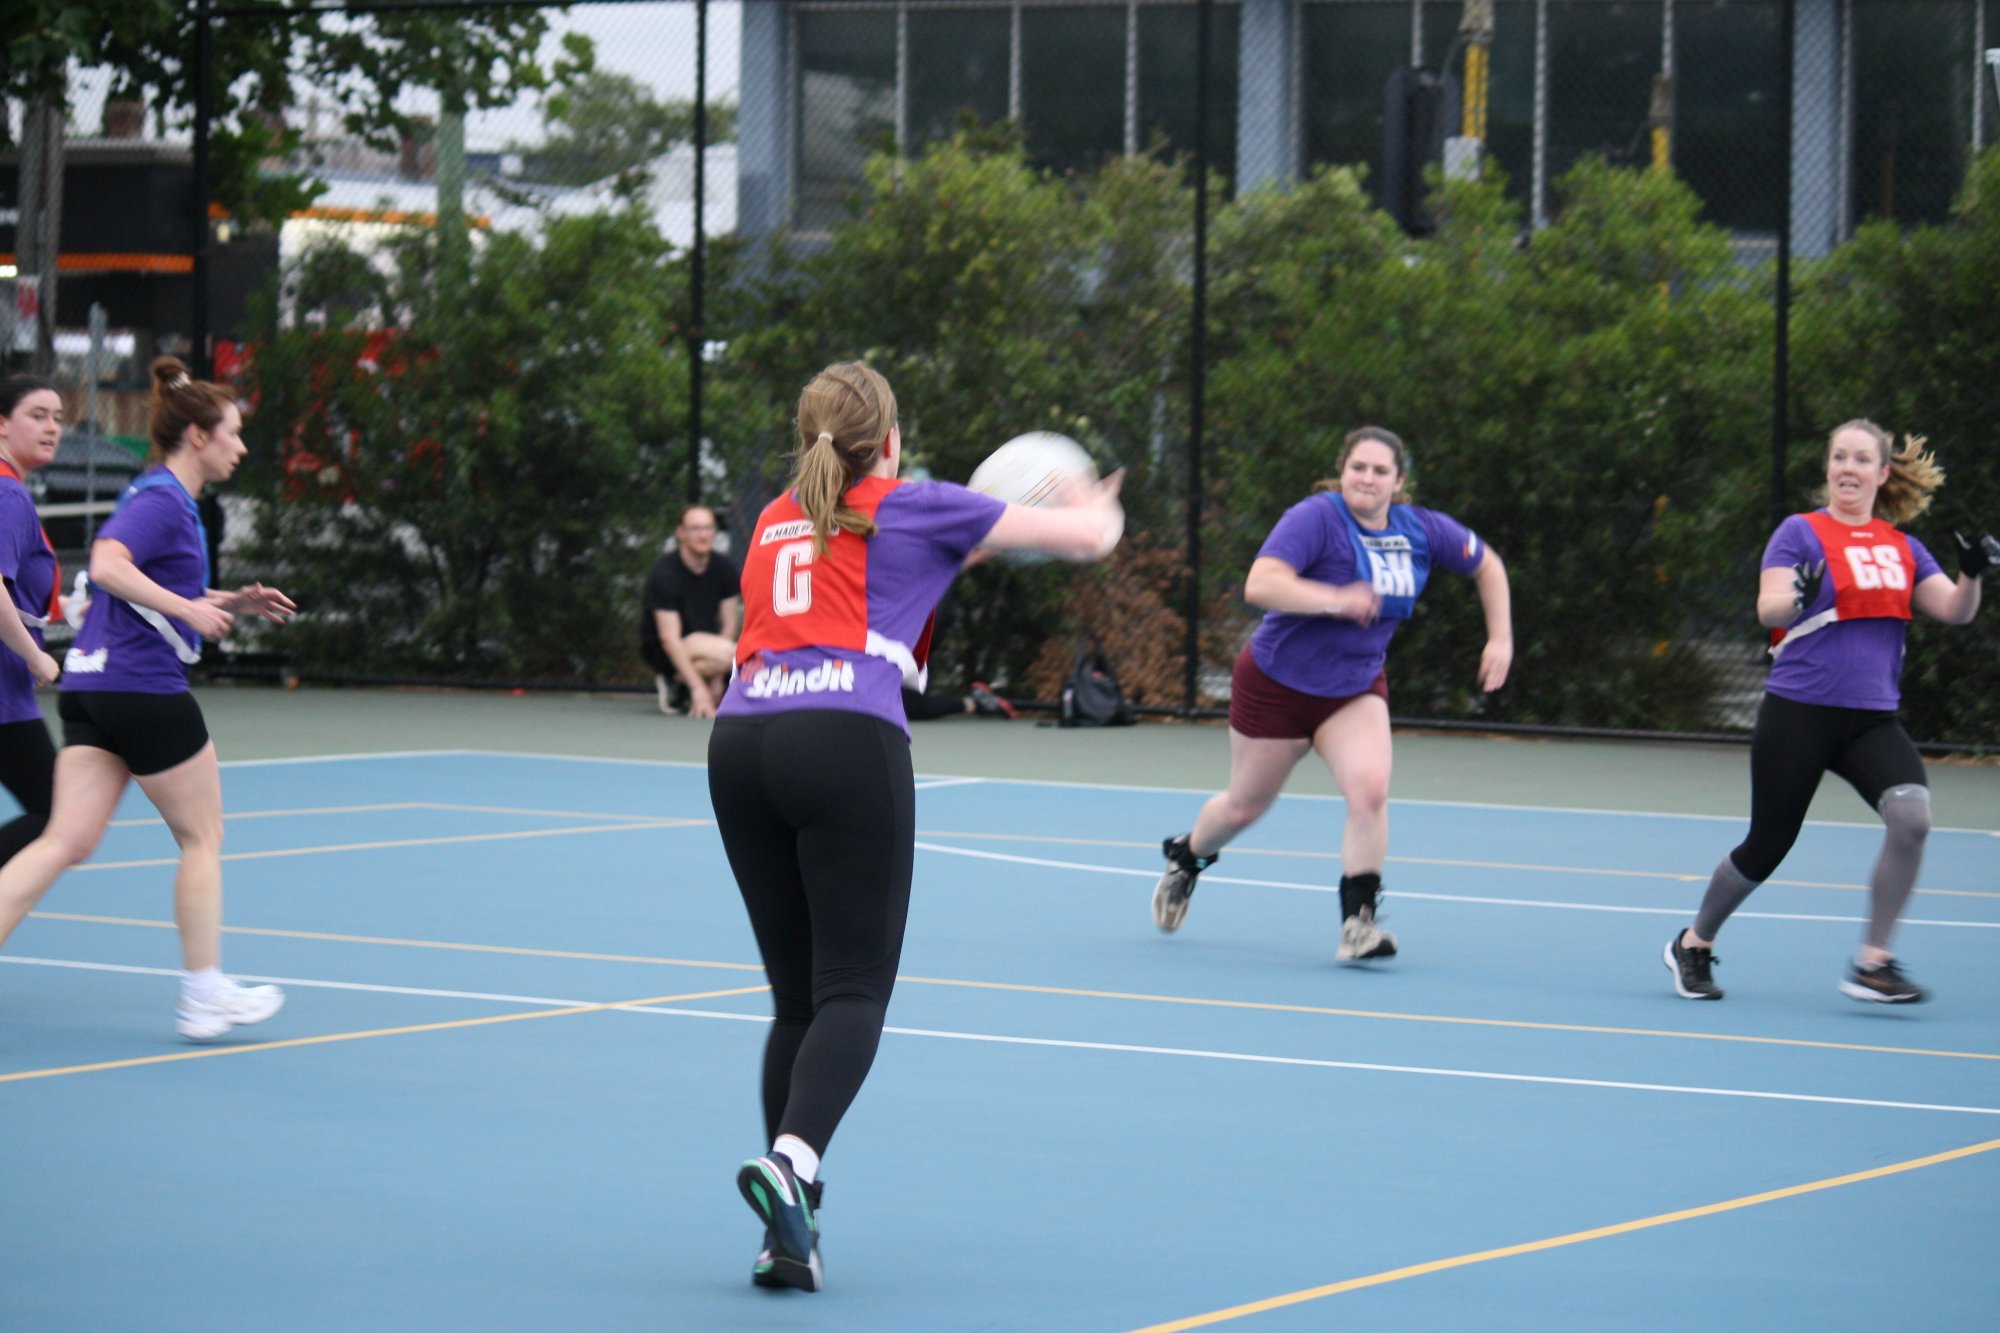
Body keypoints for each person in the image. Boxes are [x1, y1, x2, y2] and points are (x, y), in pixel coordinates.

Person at [710, 361, 1122, 1292]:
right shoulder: (917, 502)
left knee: (797, 1002)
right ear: (890, 441)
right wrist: (1097, 500)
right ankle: (794, 1164)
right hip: (841, 738)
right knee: (853, 990)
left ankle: (790, 1230)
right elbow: (1086, 539)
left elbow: (893, 561)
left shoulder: (779, 515)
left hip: (739, 743)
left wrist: (973, 533)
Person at [0, 357, 297, 1041]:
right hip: (141, 689)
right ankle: (203, 993)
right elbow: (106, 567)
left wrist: (227, 601)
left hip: (90, 689)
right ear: (197, 435)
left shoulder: (155, 497)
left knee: (63, 840)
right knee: (203, 837)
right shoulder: (164, 499)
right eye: (233, 433)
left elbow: (132, 585)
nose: (241, 446)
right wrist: (191, 613)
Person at [1149, 425, 1511, 960]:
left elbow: (1488, 565)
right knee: (1243, 808)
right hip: (1276, 685)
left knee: (1369, 790)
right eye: (1358, 467)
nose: (1367, 478)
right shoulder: (1316, 518)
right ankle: (1188, 858)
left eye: (1380, 470)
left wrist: (1499, 638)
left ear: (1399, 480)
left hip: (1353, 688)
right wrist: (1334, 598)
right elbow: (1260, 583)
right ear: (1343, 472)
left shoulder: (1422, 531)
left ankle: (1358, 924)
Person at [1665, 422, 1994, 1005]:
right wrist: (1799, 594)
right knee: (1768, 843)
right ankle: (1694, 941)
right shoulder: (1800, 533)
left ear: (1882, 473)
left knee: (1913, 821)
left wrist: (1973, 575)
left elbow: (1954, 610)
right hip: (1799, 712)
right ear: (1828, 469)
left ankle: (1873, 962)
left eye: (1861, 459)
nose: (1848, 467)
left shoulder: (1902, 548)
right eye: (1839, 457)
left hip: (1870, 720)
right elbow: (1769, 603)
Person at [0, 375, 67, 866]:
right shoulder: (10, 497)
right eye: (37, 415)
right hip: (4, 693)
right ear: (2, 424)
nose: (52, 428)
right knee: (56, 812)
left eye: (58, 419)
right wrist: (35, 655)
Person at [639, 504, 740, 718]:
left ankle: (675, 682)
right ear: (681, 533)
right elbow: (669, 639)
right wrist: (699, 690)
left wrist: (716, 679)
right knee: (738, 655)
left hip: (710, 647)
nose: (703, 535)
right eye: (695, 529)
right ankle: (681, 680)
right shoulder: (664, 575)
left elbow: (729, 623)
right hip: (664, 648)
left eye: (708, 528)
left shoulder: (725, 569)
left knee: (732, 654)